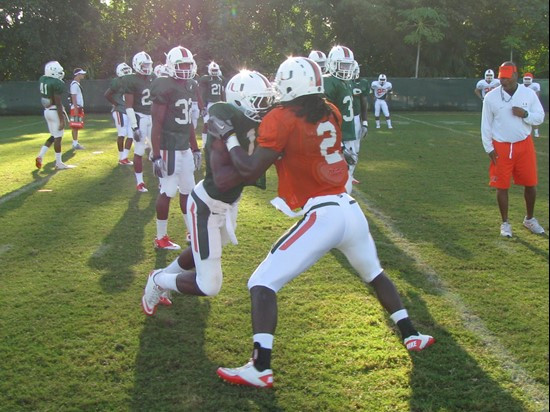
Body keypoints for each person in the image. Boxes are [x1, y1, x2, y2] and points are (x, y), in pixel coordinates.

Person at [211, 56, 435, 388]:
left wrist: (228, 135)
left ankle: (260, 367)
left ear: (289, 85)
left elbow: (248, 170)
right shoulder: (330, 109)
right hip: (350, 210)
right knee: (374, 273)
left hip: (323, 214)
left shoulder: (280, 118)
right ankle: (411, 334)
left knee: (260, 283)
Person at [141, 69, 274, 313]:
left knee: (200, 251)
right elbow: (222, 180)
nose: (266, 107)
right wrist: (256, 166)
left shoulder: (249, 124)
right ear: (239, 102)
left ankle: (162, 277)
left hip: (228, 205)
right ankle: (158, 280)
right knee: (209, 285)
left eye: (268, 100)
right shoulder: (222, 127)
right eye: (260, 102)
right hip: (207, 207)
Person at [481, 61, 545, 237]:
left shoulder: (529, 94)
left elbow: (539, 117)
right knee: (502, 185)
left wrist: (525, 114)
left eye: (507, 78)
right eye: (501, 78)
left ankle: (529, 219)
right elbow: (485, 125)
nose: (504, 82)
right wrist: (489, 147)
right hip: (500, 146)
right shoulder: (491, 97)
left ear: (516, 76)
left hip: (524, 145)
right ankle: (505, 223)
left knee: (531, 183)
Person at [149, 46, 202, 250]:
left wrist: (195, 147)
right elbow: (157, 123)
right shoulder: (164, 85)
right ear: (171, 65)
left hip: (183, 147)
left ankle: (191, 232)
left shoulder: (189, 85)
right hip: (168, 147)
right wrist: (155, 155)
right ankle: (161, 238)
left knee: (188, 191)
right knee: (168, 191)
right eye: (182, 65)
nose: (186, 69)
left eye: (189, 65)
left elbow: (188, 121)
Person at [323, 45, 357, 191]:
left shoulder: (347, 81)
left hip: (348, 133)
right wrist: (339, 144)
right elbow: (325, 113)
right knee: (338, 175)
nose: (345, 69)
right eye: (342, 65)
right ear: (331, 63)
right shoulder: (328, 81)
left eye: (348, 65)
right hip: (336, 136)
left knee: (346, 173)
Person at [121, 51, 154, 192]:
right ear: (136, 65)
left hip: (153, 117)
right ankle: (140, 182)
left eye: (148, 64)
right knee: (140, 150)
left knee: (159, 149)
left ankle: (162, 180)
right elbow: (128, 106)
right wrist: (134, 126)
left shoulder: (153, 78)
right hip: (140, 117)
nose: (147, 67)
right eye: (144, 65)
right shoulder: (131, 80)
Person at [36, 61, 72, 170]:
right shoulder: (56, 83)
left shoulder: (44, 80)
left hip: (47, 111)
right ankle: (59, 163)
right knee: (58, 138)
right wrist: (62, 119)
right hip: (54, 111)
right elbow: (58, 102)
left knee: (53, 136)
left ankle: (40, 156)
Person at [104, 63, 134, 165]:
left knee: (131, 135)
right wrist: (116, 103)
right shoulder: (118, 82)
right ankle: (121, 157)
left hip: (129, 111)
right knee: (122, 133)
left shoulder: (131, 81)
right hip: (121, 111)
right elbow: (107, 94)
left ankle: (124, 157)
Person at [349, 61, 369, 184]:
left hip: (355, 118)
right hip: (340, 118)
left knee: (355, 148)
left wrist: (365, 122)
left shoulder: (362, 83)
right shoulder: (338, 83)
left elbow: (364, 103)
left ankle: (350, 174)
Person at [198, 61, 226, 145]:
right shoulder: (205, 79)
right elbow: (202, 93)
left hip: (218, 103)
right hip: (209, 104)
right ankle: (204, 143)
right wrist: (203, 106)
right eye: (213, 70)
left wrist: (224, 103)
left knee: (219, 124)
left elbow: (222, 93)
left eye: (215, 70)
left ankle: (218, 141)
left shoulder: (221, 79)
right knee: (206, 124)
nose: (214, 71)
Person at [68, 68, 86, 150]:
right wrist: (75, 108)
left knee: (77, 126)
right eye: (81, 74)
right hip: (76, 107)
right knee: (75, 126)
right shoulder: (74, 85)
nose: (83, 75)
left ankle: (76, 143)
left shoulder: (76, 84)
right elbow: (73, 96)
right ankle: (75, 144)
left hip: (78, 107)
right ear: (77, 75)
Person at [522, 73, 541, 138]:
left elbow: (537, 95)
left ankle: (536, 133)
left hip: (532, 103)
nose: (527, 80)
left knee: (534, 117)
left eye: (528, 79)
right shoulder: (521, 86)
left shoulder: (535, 85)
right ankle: (526, 132)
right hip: (523, 103)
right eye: (526, 79)